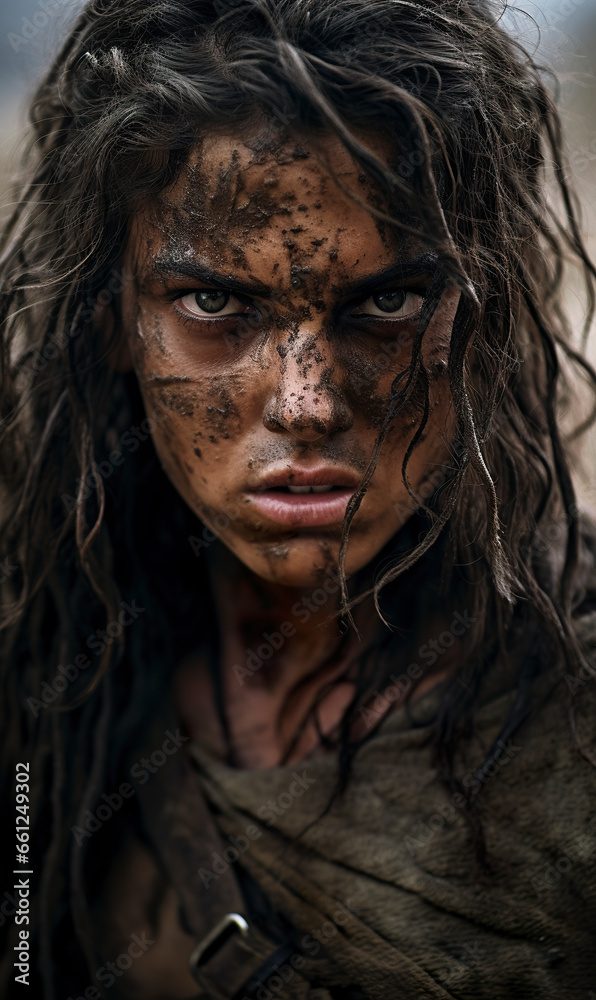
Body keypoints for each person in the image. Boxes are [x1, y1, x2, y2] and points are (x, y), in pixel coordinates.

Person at [1, 0, 596, 996]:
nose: (306, 402)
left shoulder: (569, 710)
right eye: (214, 303)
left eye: (387, 303)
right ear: (112, 319)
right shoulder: (45, 659)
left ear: (477, 312)